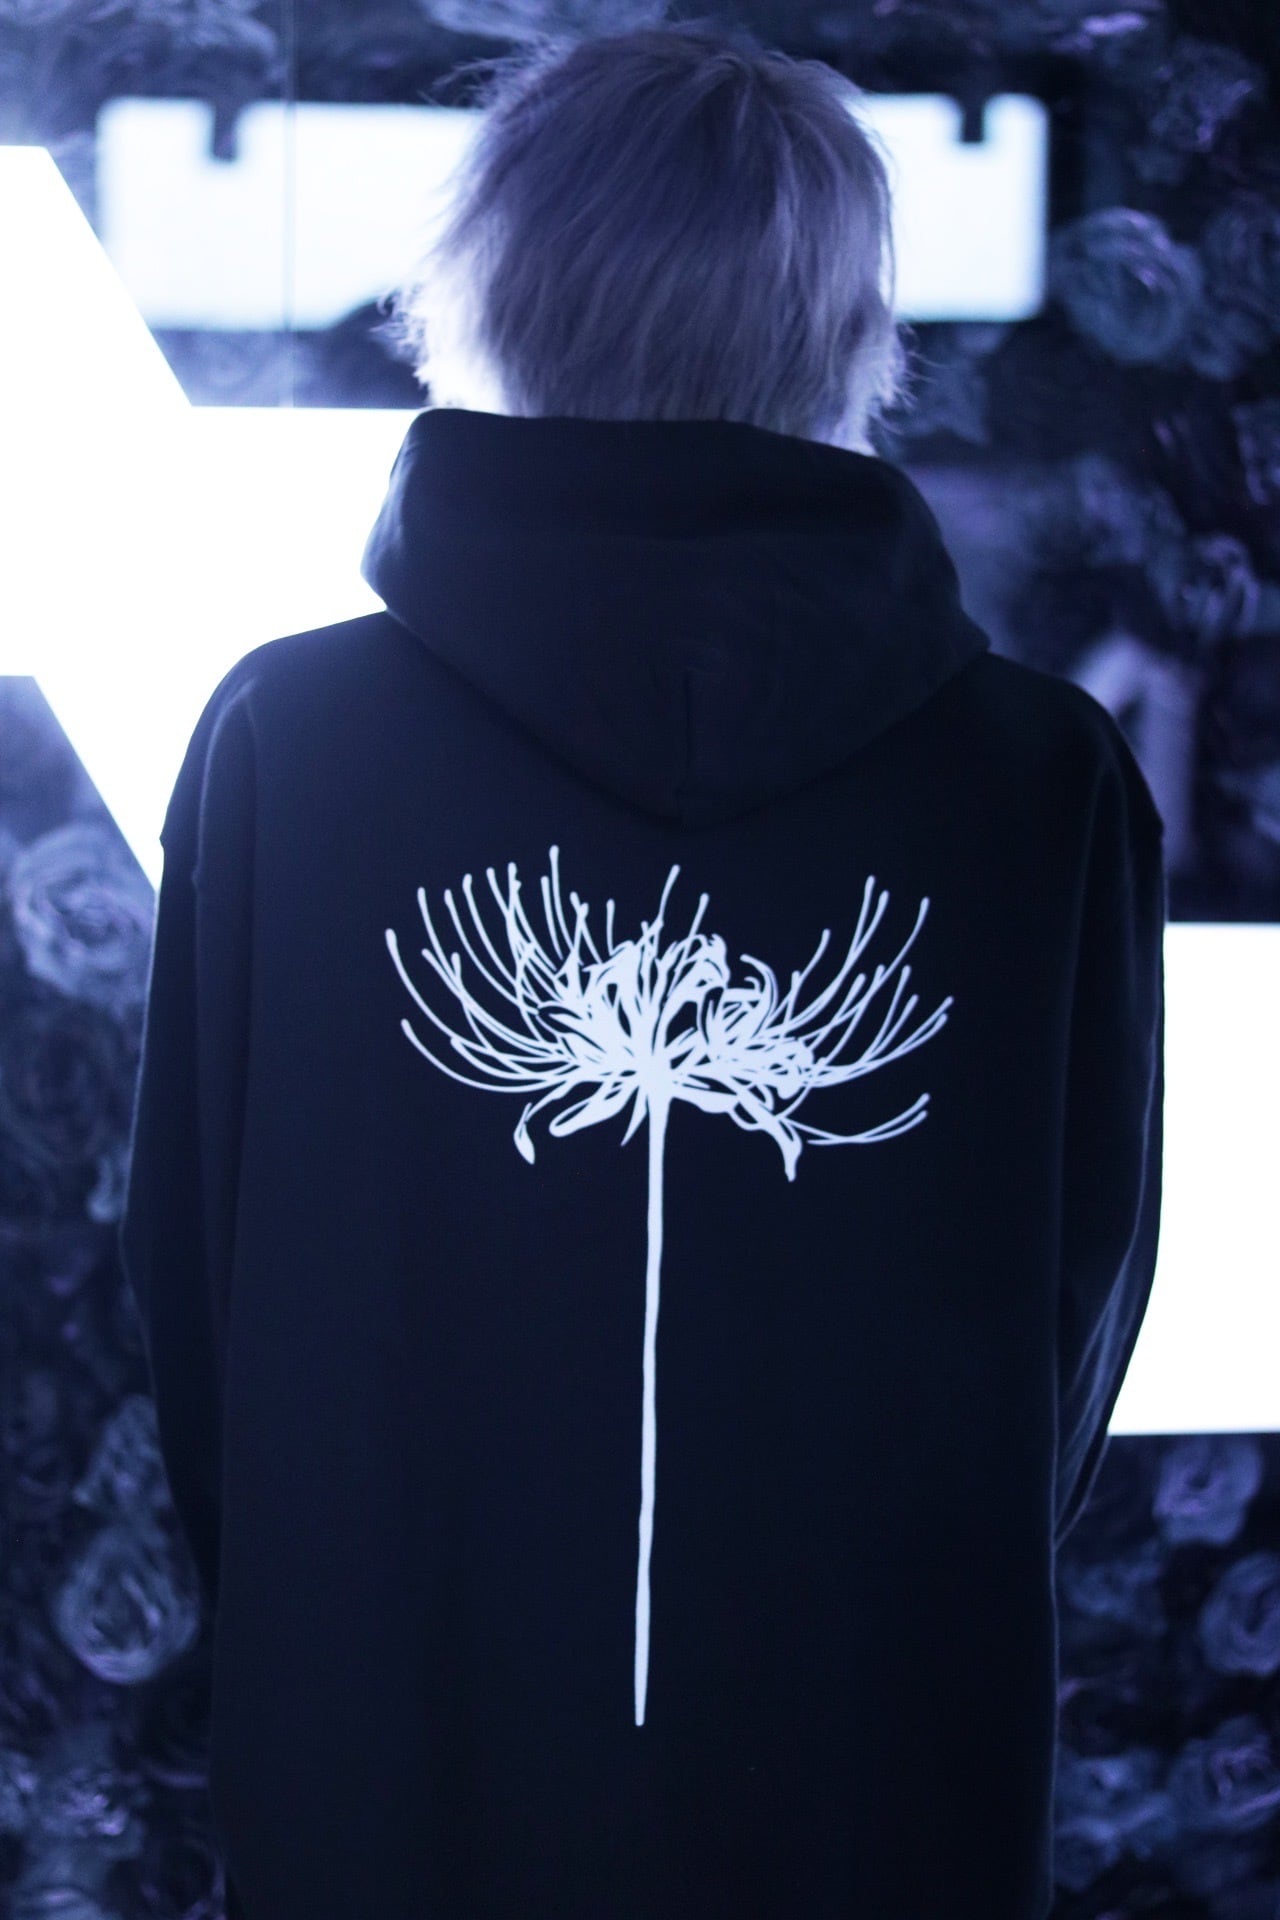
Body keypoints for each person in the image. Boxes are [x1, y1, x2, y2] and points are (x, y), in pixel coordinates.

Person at [119, 17, 1166, 1920]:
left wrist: (333, 1652)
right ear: (851, 327)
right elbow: (1070, 1337)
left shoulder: (290, 741)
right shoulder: (1039, 781)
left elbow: (202, 1312)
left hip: (384, 1787)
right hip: (881, 1797)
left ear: (484, 288)